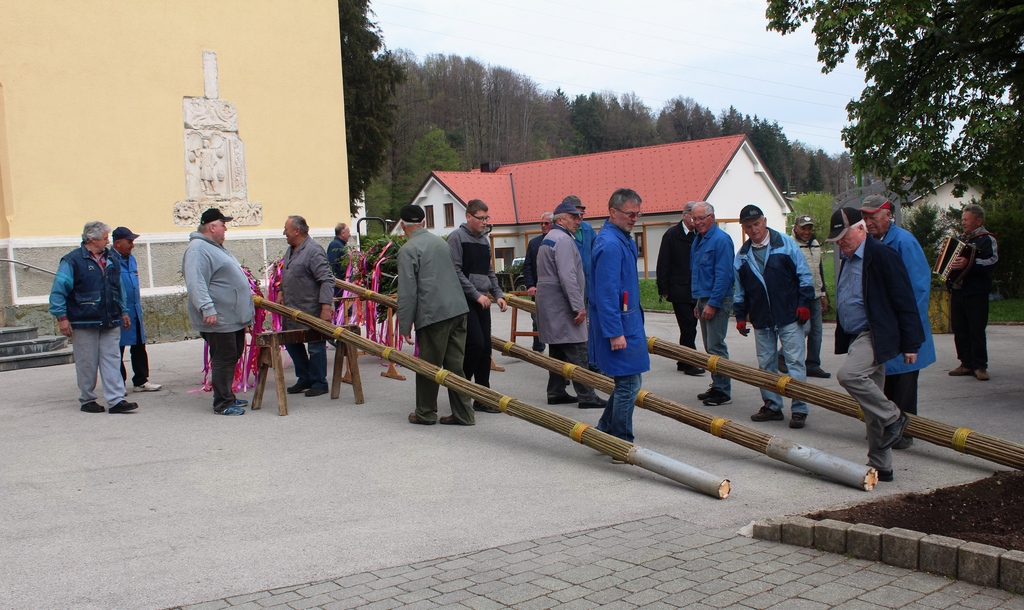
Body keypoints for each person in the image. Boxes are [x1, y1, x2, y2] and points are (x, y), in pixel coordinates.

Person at [829, 207, 923, 482]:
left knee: (849, 375)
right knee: (871, 405)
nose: (840, 243)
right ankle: (882, 465)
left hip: (875, 333)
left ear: (861, 229)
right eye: (836, 240)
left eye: (843, 237)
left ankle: (894, 417)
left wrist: (911, 343)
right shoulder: (848, 258)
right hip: (857, 335)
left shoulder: (882, 255)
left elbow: (905, 299)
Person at [860, 196, 936, 449]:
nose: (868, 222)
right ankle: (886, 426)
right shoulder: (870, 242)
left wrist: (907, 330)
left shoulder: (904, 241)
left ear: (888, 215)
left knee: (904, 383)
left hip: (904, 328)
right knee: (886, 381)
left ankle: (904, 432)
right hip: (884, 328)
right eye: (865, 218)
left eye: (873, 217)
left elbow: (919, 289)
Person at [733, 205, 815, 428]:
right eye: (748, 226)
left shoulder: (786, 245)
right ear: (744, 228)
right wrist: (740, 316)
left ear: (765, 221)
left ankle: (799, 409)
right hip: (762, 319)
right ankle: (772, 405)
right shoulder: (742, 257)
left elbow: (804, 275)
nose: (754, 229)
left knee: (794, 362)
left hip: (789, 315)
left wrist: (804, 303)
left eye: (756, 224)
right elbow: (740, 291)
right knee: (766, 364)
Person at [396, 204, 475, 426]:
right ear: (424, 223)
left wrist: (405, 325)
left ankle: (425, 412)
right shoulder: (441, 243)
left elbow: (408, 292)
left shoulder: (408, 250)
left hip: (433, 314)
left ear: (402, 225)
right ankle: (464, 413)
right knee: (455, 367)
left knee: (428, 366)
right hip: (458, 309)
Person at [49, 222, 138, 414]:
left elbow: (119, 287)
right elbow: (58, 290)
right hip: (84, 320)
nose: (108, 241)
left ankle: (116, 400)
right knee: (87, 362)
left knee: (112, 359)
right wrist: (62, 317)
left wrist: (123, 311)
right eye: (105, 238)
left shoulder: (111, 258)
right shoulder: (72, 261)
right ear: (92, 239)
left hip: (110, 318)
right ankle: (87, 399)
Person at [591, 188, 650, 445]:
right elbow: (606, 293)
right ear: (613, 212)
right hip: (620, 326)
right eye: (630, 214)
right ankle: (620, 441)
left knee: (630, 383)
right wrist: (615, 332)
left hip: (628, 321)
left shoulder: (621, 238)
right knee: (627, 385)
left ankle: (604, 430)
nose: (634, 219)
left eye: (638, 214)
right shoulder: (611, 244)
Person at [183, 208, 255, 416]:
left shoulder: (214, 247)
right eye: (223, 225)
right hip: (218, 317)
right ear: (212, 227)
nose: (225, 229)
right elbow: (196, 282)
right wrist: (207, 308)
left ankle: (228, 395)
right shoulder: (198, 249)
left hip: (232, 316)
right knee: (224, 357)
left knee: (232, 354)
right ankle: (222, 403)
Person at [536, 201, 607, 409]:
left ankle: (556, 391)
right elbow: (568, 276)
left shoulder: (549, 238)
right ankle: (587, 396)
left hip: (551, 304)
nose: (578, 221)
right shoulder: (564, 240)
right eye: (573, 217)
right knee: (578, 349)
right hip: (563, 305)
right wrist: (578, 306)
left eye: (579, 217)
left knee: (558, 349)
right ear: (560, 219)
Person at [449, 199, 508, 413]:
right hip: (465, 300)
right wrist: (475, 295)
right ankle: (461, 389)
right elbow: (455, 271)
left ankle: (483, 397)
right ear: (468, 216)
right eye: (481, 218)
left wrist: (498, 295)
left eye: (486, 218)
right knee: (475, 344)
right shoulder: (456, 237)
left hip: (482, 300)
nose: (485, 222)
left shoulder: (484, 240)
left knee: (485, 349)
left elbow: (489, 271)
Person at [279, 215, 335, 397]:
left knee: (315, 346)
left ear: (297, 231)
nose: (284, 233)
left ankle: (319, 382)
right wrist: (281, 291)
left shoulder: (313, 250)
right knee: (291, 342)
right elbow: (287, 274)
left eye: (286, 229)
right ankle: (304, 378)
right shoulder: (290, 250)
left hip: (310, 309)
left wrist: (326, 308)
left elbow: (327, 280)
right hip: (291, 309)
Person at [690, 201, 735, 406]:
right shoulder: (699, 240)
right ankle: (717, 385)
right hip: (704, 298)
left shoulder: (721, 240)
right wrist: (698, 302)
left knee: (717, 346)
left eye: (701, 218)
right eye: (694, 218)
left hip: (716, 299)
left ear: (712, 217)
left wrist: (713, 304)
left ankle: (723, 392)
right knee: (710, 347)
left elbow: (723, 275)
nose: (697, 222)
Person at [947, 203, 998, 381]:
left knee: (976, 329)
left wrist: (969, 263)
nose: (963, 223)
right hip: (958, 290)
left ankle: (980, 366)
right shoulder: (959, 239)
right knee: (959, 328)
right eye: (962, 219)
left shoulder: (987, 239)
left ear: (979, 221)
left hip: (976, 292)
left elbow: (992, 261)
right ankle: (966, 363)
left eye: (967, 220)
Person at [111, 226, 162, 393]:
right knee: (117, 349)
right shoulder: (109, 260)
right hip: (118, 311)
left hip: (134, 308)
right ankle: (118, 384)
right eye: (129, 241)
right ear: (118, 243)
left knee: (139, 346)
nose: (132, 245)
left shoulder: (131, 259)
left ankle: (141, 380)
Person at [656, 201, 703, 376]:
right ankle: (690, 362)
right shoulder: (671, 235)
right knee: (688, 325)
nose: (696, 220)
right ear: (685, 215)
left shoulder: (699, 235)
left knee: (691, 326)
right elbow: (663, 262)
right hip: (678, 289)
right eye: (693, 216)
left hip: (695, 289)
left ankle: (683, 360)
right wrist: (663, 288)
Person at [791, 215, 831, 378]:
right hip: (800, 295)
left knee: (817, 331)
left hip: (815, 293)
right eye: (803, 228)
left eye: (809, 228)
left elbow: (819, 270)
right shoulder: (791, 245)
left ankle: (813, 364)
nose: (806, 232)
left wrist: (823, 293)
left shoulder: (815, 244)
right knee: (804, 328)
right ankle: (785, 355)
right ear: (795, 228)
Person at [522, 212, 553, 352]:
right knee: (536, 320)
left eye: (546, 223)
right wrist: (530, 285)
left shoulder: (561, 241)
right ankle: (538, 349)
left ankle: (556, 352)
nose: (543, 226)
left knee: (555, 322)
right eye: (541, 223)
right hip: (538, 291)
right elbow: (527, 266)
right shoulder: (534, 243)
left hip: (554, 291)